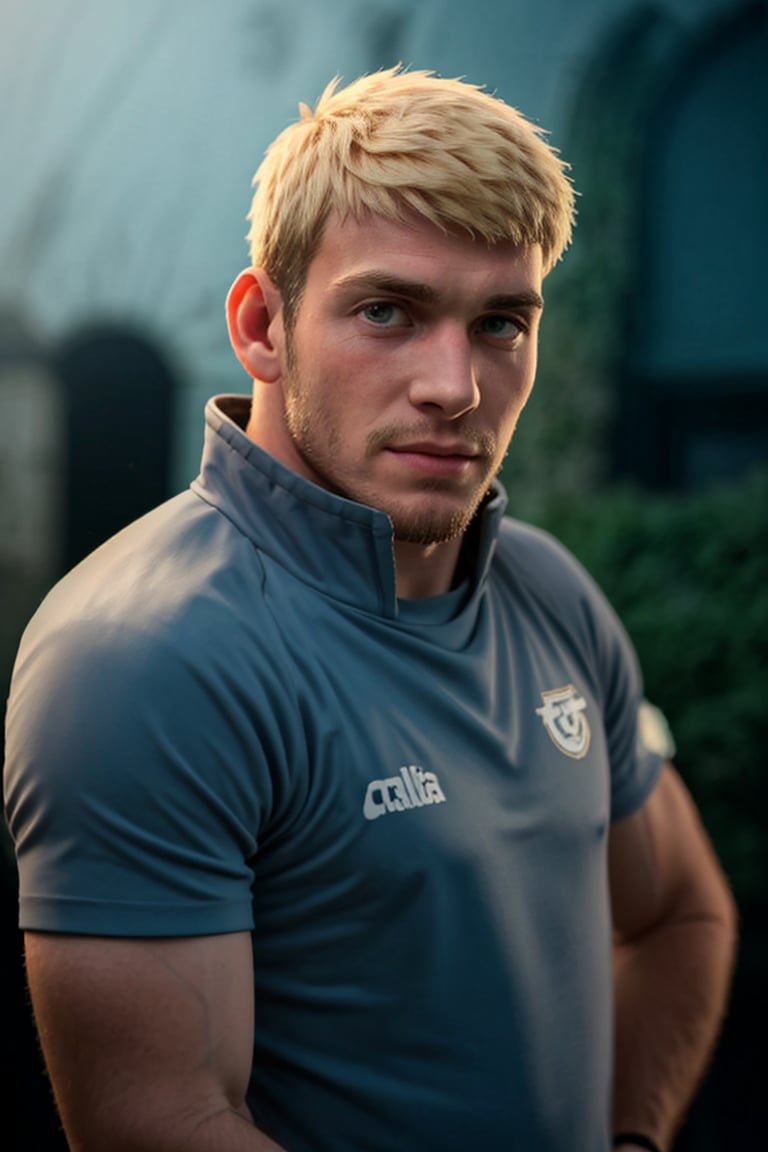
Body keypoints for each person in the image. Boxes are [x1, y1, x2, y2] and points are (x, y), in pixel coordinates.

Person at [3, 68, 736, 1152]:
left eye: (500, 323)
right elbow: (160, 1121)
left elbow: (682, 915)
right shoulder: (142, 659)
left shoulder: (550, 593)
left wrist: (634, 1138)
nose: (456, 384)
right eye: (387, 310)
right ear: (262, 327)